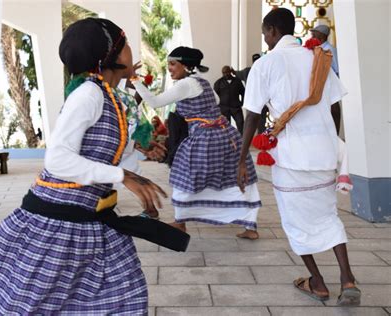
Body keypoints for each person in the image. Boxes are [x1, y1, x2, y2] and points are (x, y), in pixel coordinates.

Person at [0, 18, 190, 315]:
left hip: (88, 220)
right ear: (113, 56)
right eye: (127, 44)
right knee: (32, 306)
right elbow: (57, 159)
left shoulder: (109, 96)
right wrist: (123, 176)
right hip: (55, 227)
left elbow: (96, 148)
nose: (132, 49)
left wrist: (137, 147)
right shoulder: (88, 94)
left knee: (120, 296)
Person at [238, 8, 360, 306]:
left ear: (272, 31)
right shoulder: (318, 58)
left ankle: (317, 282)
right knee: (328, 216)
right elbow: (334, 107)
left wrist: (241, 159)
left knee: (295, 222)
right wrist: (331, 140)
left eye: (266, 33)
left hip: (290, 156)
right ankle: (347, 279)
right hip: (323, 153)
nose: (265, 38)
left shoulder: (266, 64)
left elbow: (252, 116)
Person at [131, 46, 262, 240]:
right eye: (168, 64)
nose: (169, 68)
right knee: (234, 178)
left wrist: (133, 79)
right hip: (226, 136)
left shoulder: (185, 85)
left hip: (205, 138)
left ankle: (181, 221)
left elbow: (155, 102)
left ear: (186, 66)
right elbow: (215, 100)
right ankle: (250, 226)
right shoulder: (202, 82)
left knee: (183, 174)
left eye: (173, 64)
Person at [311, 24, 341, 134]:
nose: (312, 35)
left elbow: (336, 69)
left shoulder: (329, 49)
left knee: (334, 108)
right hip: (320, 84)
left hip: (329, 83)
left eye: (315, 33)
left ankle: (335, 133)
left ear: (322, 36)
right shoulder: (318, 49)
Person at [214, 66, 245, 133]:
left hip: (236, 107)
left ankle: (242, 140)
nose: (225, 74)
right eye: (224, 73)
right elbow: (215, 96)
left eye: (227, 72)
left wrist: (242, 102)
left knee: (240, 123)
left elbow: (243, 92)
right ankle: (227, 141)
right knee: (225, 126)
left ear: (230, 72)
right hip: (223, 108)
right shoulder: (218, 82)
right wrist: (217, 106)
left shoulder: (237, 81)